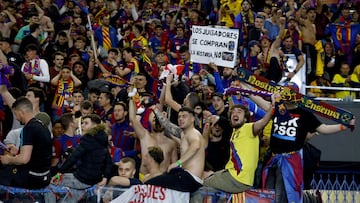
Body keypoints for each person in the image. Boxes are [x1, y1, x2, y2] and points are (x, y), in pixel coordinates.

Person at [250, 82, 355, 203]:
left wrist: (343, 126)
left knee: (282, 196)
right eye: (285, 91)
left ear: (297, 95)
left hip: (290, 162)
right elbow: (258, 99)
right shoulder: (278, 108)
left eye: (290, 92)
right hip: (273, 158)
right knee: (267, 195)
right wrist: (242, 85)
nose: (286, 95)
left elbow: (323, 128)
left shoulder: (304, 113)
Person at [203, 95, 275, 193]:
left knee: (204, 184)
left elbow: (263, 122)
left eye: (239, 112)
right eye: (233, 112)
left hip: (239, 179)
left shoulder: (249, 128)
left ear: (245, 119)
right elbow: (231, 109)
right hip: (230, 173)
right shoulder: (234, 131)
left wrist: (273, 107)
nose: (235, 114)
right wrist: (230, 95)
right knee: (206, 176)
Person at [51, 114, 113, 203]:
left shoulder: (87, 139)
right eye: (82, 123)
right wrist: (105, 178)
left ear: (95, 126)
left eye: (86, 123)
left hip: (82, 179)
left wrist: (59, 173)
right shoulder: (103, 139)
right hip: (95, 180)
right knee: (73, 193)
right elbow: (109, 162)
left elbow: (73, 158)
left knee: (51, 184)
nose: (82, 125)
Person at [146, 106, 205, 193]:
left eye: (184, 116)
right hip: (185, 176)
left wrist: (178, 163)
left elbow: (195, 146)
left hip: (191, 178)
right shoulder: (184, 134)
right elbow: (168, 126)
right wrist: (156, 110)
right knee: (156, 178)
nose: (180, 119)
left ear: (192, 119)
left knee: (152, 182)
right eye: (179, 117)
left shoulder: (193, 132)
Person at [0, 97, 52, 189]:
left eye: (16, 114)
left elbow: (24, 159)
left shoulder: (28, 128)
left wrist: (8, 160)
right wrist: (17, 152)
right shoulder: (42, 125)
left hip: (32, 178)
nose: (16, 118)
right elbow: (37, 153)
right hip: (45, 176)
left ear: (21, 112)